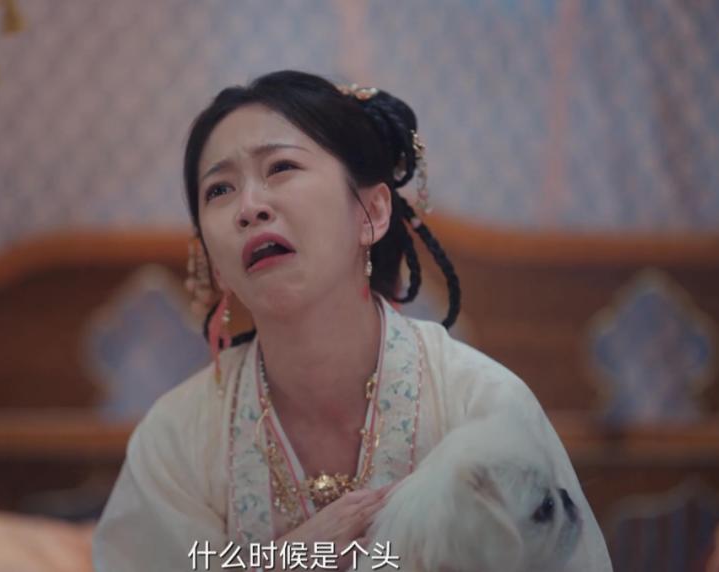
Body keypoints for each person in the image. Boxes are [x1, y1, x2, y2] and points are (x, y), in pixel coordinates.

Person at [93, 70, 611, 571]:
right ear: (213, 260)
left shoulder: (481, 405)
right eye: (219, 190)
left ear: (373, 213)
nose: (248, 207)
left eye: (281, 167)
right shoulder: (178, 439)